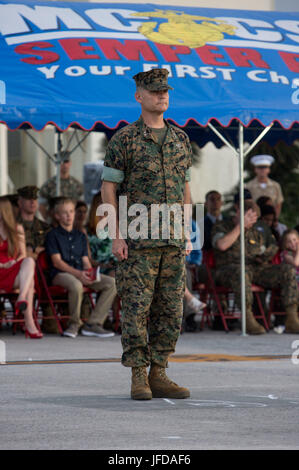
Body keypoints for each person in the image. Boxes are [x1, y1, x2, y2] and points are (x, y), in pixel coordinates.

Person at [101, 68, 192, 400]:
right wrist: (116, 234)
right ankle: (138, 376)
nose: (162, 96)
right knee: (137, 308)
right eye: (154, 92)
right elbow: (108, 189)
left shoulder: (181, 139)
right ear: (138, 96)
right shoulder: (124, 139)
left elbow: (185, 189)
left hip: (172, 239)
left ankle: (159, 372)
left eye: (165, 91)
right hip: (138, 240)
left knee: (170, 309)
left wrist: (188, 232)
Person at [211, 200, 299, 334]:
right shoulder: (221, 226)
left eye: (255, 219)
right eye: (250, 218)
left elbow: (262, 250)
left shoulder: (255, 233)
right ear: (240, 213)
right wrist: (240, 227)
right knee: (242, 271)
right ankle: (247, 317)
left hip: (255, 267)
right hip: (229, 269)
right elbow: (222, 245)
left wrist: (265, 254)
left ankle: (291, 317)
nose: (253, 223)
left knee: (287, 270)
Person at [45, 198, 117, 338]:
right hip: (61, 274)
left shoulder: (80, 235)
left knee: (112, 283)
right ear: (57, 216)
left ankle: (93, 324)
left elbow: (85, 260)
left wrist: (90, 274)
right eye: (65, 213)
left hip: (80, 273)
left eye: (71, 211)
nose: (69, 215)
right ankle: (74, 324)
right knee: (76, 284)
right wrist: (79, 274)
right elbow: (57, 263)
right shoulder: (52, 235)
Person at [0, 196, 42, 338]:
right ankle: (30, 325)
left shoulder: (17, 229)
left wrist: (13, 262)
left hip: (12, 271)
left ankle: (22, 297)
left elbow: (22, 255)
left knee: (29, 261)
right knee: (29, 283)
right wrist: (2, 264)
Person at [38, 151, 84, 221]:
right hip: (55, 224)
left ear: (70, 163)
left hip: (72, 223)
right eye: (61, 162)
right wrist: (49, 220)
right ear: (56, 164)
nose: (64, 165)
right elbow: (41, 206)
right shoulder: (49, 185)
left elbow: (81, 206)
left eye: (66, 161)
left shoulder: (77, 184)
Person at [16, 186, 50, 259]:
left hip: (41, 267)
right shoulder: (12, 226)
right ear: (20, 202)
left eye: (35, 199)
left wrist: (32, 250)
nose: (32, 202)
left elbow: (51, 251)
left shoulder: (45, 227)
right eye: (28, 199)